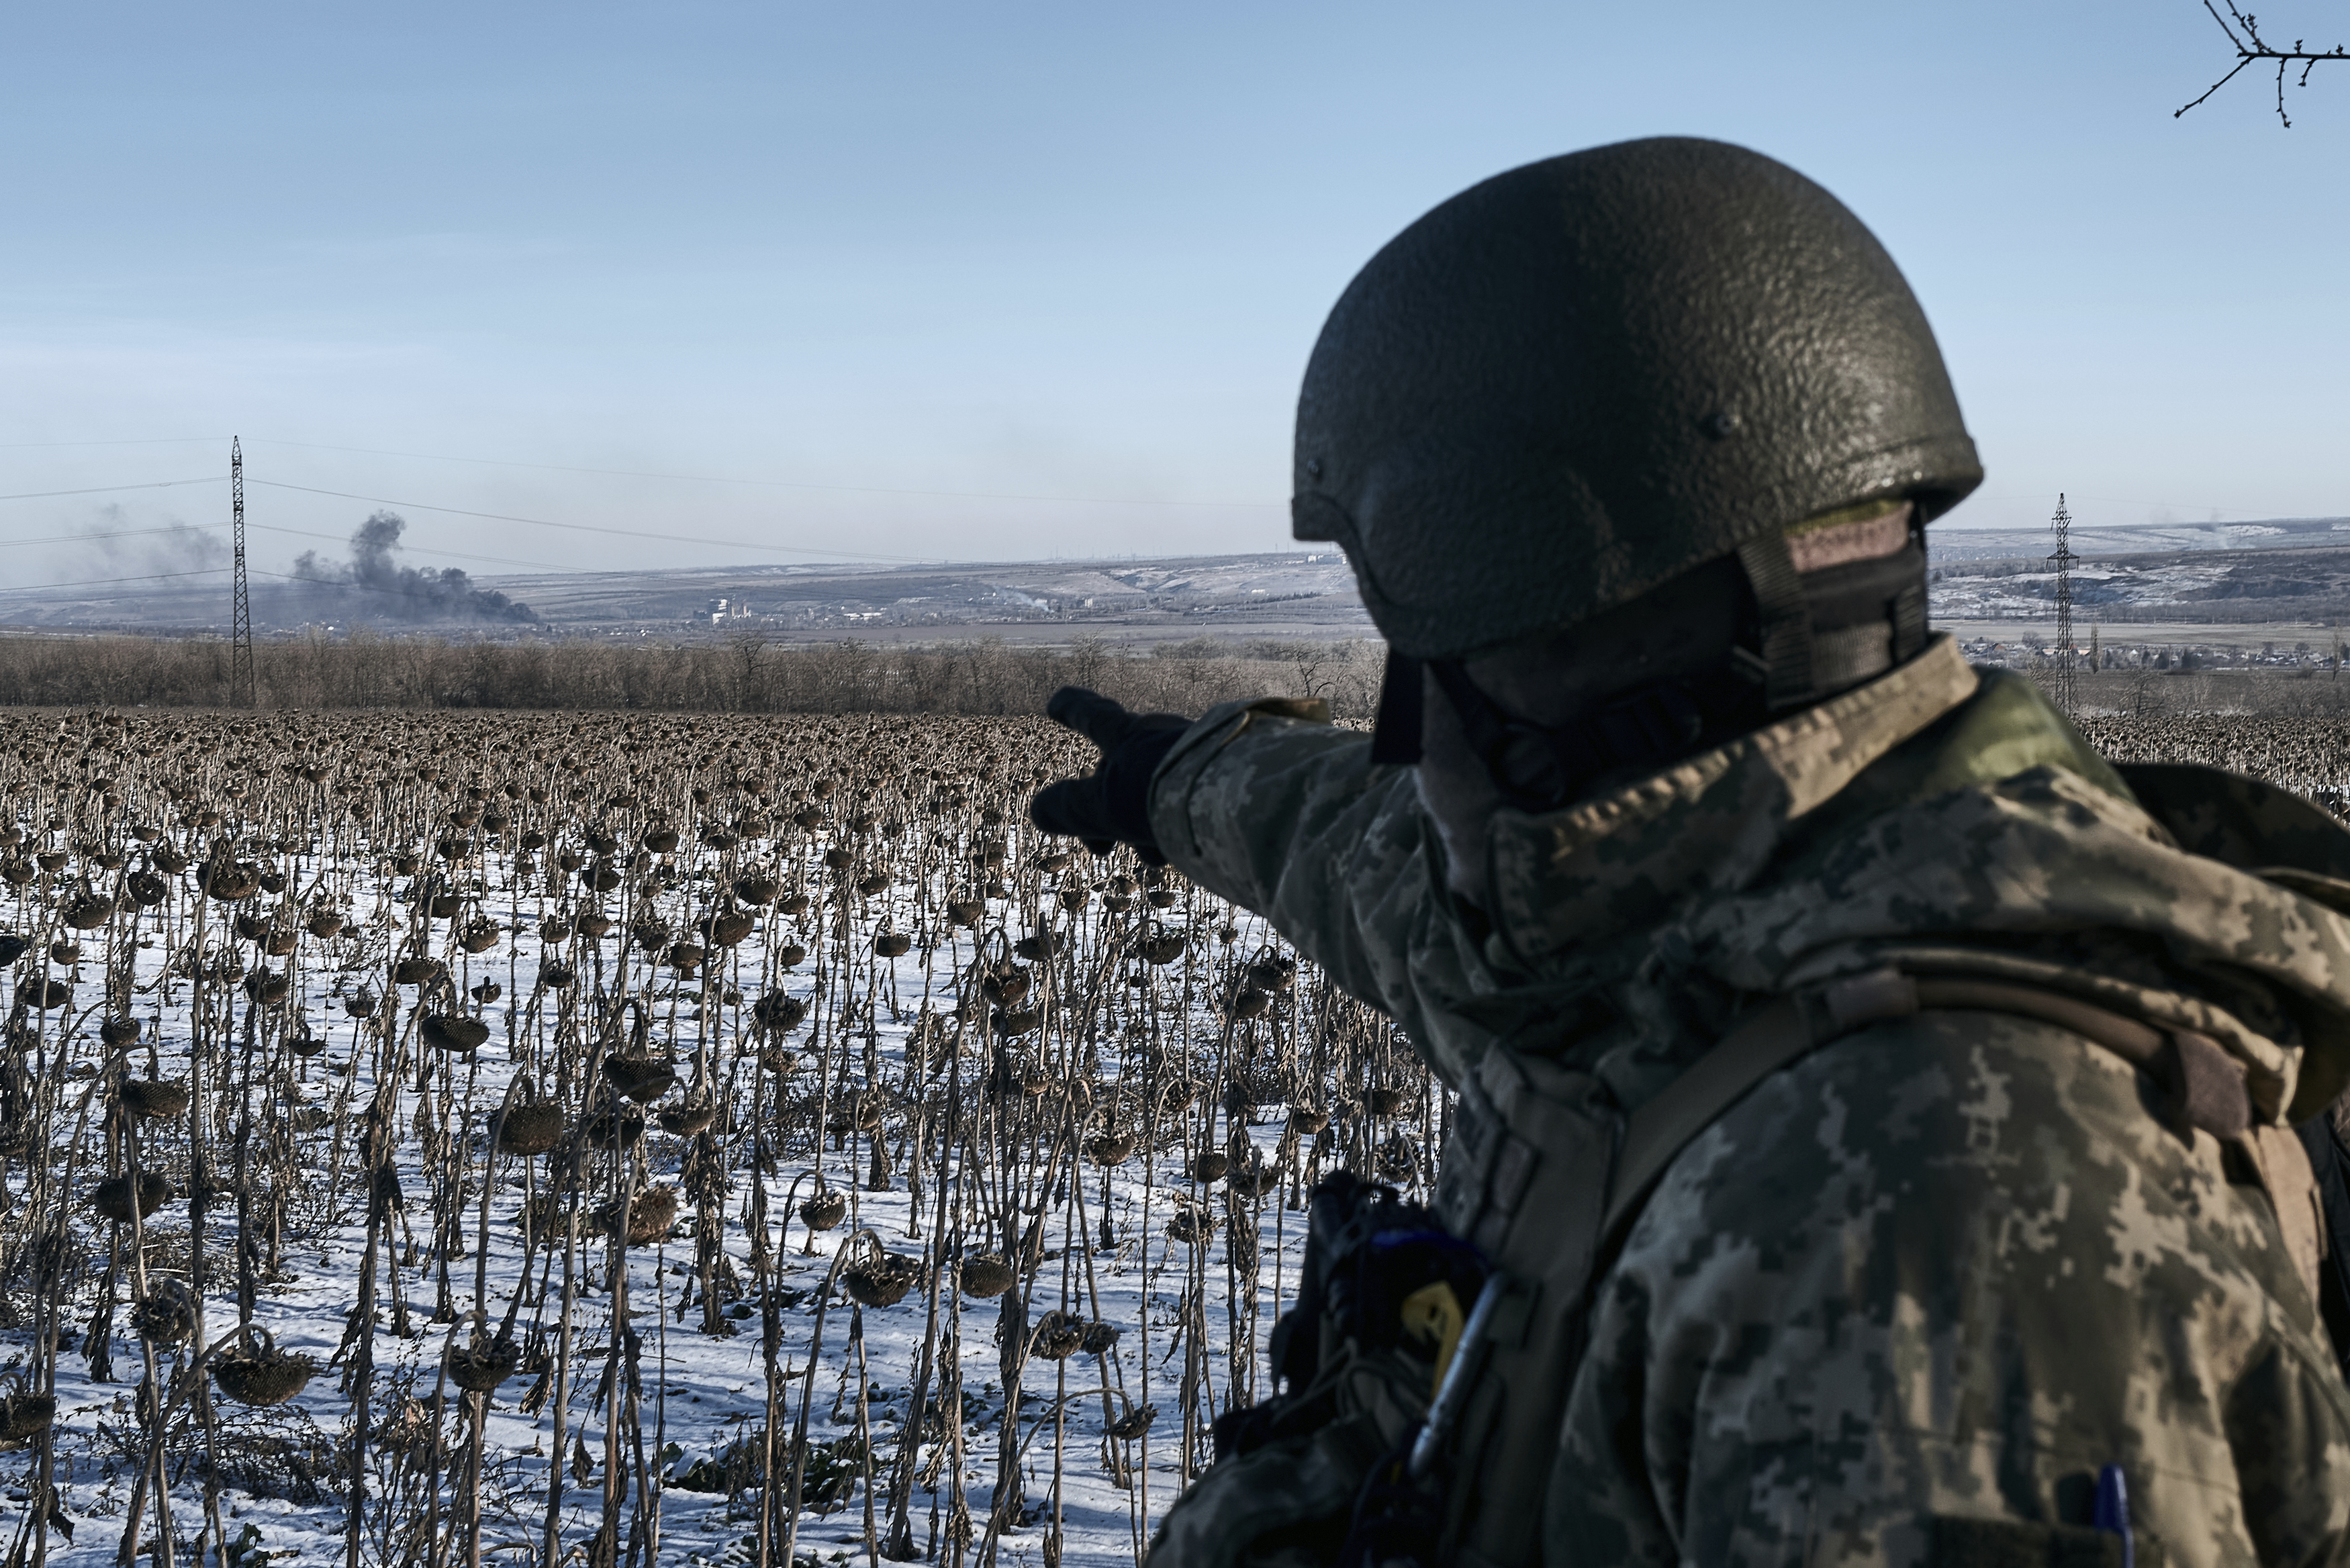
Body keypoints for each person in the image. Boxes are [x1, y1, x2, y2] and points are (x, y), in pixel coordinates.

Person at [1031, 137, 2350, 1566]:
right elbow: (1375, 867)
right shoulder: (1704, 913)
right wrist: (1188, 782)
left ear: (1572, 653)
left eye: (1438, 657)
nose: (1415, 745)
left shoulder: (1923, 1226)